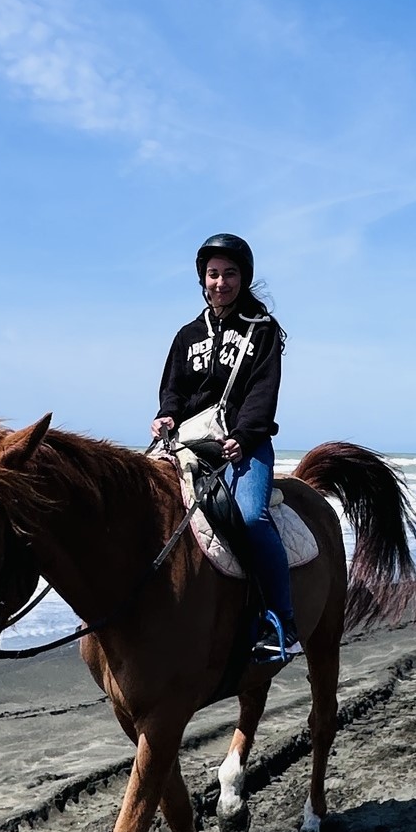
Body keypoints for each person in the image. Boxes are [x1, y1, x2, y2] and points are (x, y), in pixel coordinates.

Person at [152, 233, 299, 662]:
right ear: (203, 279)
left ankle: (282, 621)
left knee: (251, 519)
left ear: (243, 278)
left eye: (230, 274)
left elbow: (262, 392)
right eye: (213, 274)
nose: (221, 282)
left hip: (243, 447)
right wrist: (166, 415)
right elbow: (174, 390)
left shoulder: (263, 331)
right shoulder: (186, 334)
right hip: (190, 443)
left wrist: (244, 437)